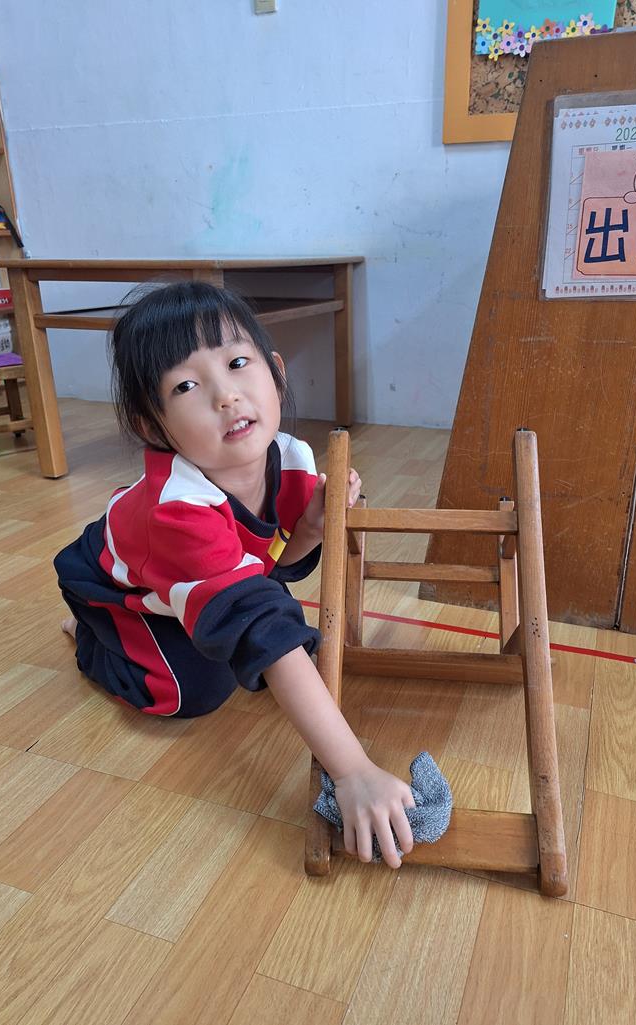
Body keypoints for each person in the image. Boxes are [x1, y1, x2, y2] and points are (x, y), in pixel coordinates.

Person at [54, 281, 414, 868]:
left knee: (268, 628)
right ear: (153, 426)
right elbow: (258, 615)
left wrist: (312, 527)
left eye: (237, 363)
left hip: (191, 577)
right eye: (186, 386)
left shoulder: (293, 459)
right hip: (117, 588)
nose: (226, 395)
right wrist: (352, 771)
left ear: (276, 372)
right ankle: (91, 636)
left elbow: (274, 570)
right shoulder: (178, 510)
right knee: (191, 693)